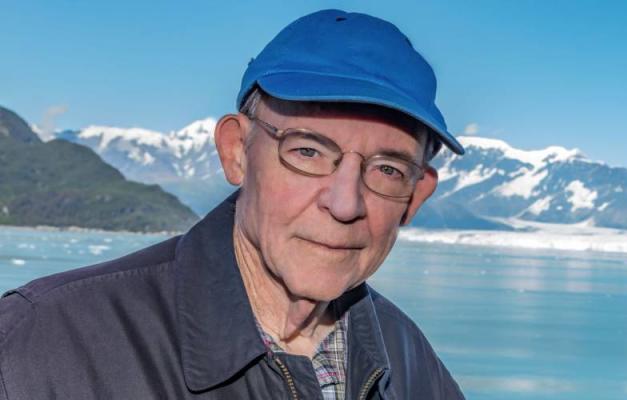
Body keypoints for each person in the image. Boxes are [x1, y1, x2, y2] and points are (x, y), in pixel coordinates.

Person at [0, 9, 466, 400]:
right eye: (308, 151)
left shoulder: (412, 365)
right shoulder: (43, 344)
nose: (345, 204)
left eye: (387, 169)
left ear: (415, 195)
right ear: (236, 152)